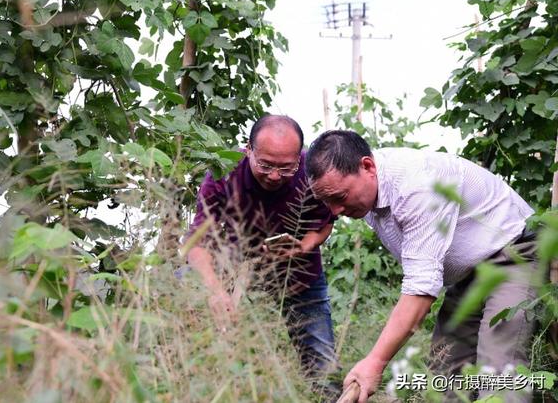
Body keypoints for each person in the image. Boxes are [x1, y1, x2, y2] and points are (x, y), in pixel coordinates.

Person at [305, 130, 539, 403]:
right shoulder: (367, 190)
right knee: (446, 371)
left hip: (514, 255)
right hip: (470, 273)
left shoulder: (416, 186)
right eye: (327, 202)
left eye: (340, 197)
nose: (334, 211)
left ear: (367, 166)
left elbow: (420, 289)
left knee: (499, 369)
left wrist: (375, 362)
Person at [185, 115, 340, 394]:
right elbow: (197, 243)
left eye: (286, 168)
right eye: (265, 165)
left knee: (323, 368)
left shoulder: (312, 170)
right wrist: (215, 290)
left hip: (299, 274)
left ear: (299, 158)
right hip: (236, 268)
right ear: (248, 150)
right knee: (184, 285)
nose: (275, 176)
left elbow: (326, 222)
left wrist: (304, 245)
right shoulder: (224, 170)